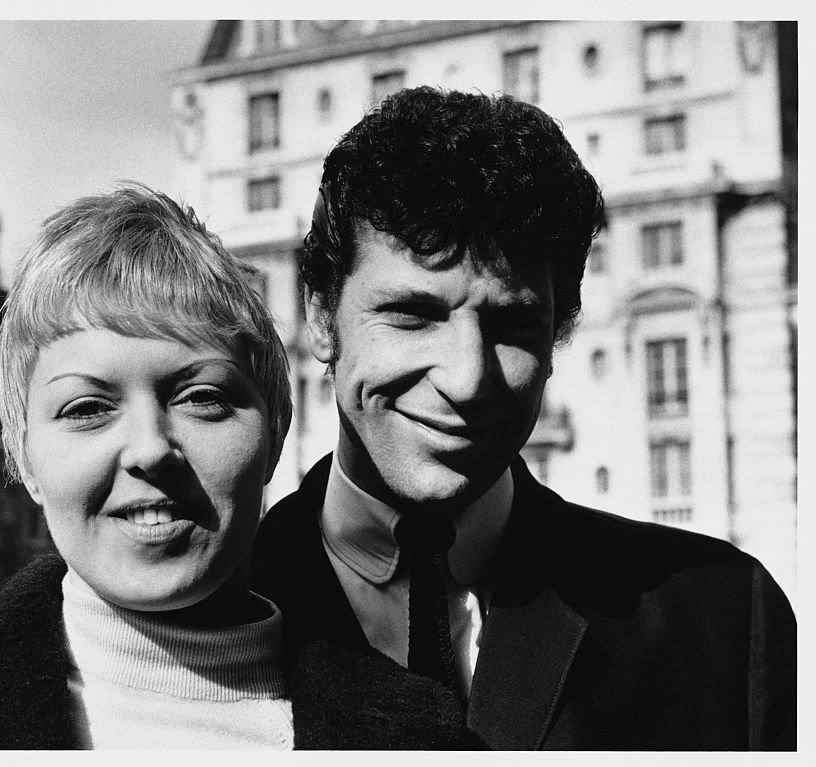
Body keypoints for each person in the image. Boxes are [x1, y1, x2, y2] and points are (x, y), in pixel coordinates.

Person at [251, 86, 796, 750]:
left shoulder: (725, 621)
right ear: (318, 317)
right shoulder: (199, 620)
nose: (466, 377)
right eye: (412, 315)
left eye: (511, 324)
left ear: (560, 329)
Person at [0, 184, 295, 749]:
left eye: (200, 397)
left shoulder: (408, 725)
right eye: (87, 408)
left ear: (275, 432)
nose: (149, 449)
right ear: (23, 458)